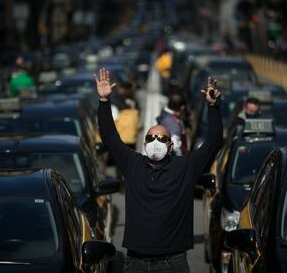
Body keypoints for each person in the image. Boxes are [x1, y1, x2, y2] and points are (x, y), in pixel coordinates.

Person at [95, 68, 223, 273]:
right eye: (151, 138)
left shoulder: (184, 167)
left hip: (172, 263)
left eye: (162, 138)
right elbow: (109, 136)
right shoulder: (132, 164)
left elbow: (214, 142)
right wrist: (103, 102)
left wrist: (213, 106)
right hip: (135, 262)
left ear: (171, 146)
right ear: (144, 145)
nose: (156, 142)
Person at [111, 81, 141, 150]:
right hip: (121, 138)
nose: (131, 91)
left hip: (131, 137)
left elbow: (137, 115)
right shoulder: (115, 102)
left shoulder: (133, 100)